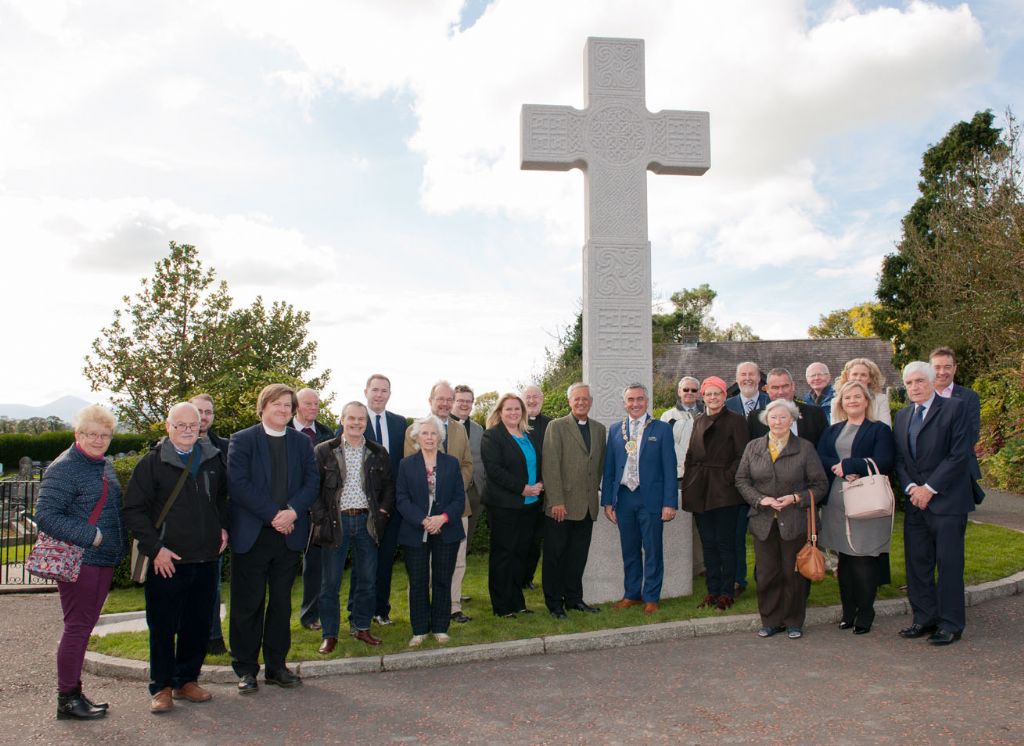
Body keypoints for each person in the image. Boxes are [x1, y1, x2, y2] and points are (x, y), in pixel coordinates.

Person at [123, 402, 228, 713]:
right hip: (166, 561)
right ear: (167, 427)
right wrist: (155, 549)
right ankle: (162, 687)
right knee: (163, 627)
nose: (187, 430)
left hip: (206, 559)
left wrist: (223, 527)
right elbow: (134, 510)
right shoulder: (152, 463)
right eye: (180, 425)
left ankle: (186, 681)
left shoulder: (212, 460)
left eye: (192, 425)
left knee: (197, 625)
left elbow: (223, 498)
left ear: (200, 427)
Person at [35, 404, 128, 720]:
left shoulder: (101, 464)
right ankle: (67, 699)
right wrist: (93, 536)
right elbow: (46, 516)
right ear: (78, 434)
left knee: (83, 626)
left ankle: (73, 692)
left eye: (105, 435)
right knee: (77, 627)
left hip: (100, 559)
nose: (99, 439)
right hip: (81, 558)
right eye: (92, 434)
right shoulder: (65, 467)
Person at [227, 384, 318, 694]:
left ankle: (277, 667)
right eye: (276, 404)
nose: (282, 409)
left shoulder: (301, 443)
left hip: (289, 536)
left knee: (281, 604)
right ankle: (246, 669)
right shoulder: (242, 440)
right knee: (248, 605)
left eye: (287, 405)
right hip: (253, 536)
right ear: (263, 406)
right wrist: (273, 515)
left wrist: (292, 512)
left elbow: (312, 481)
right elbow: (238, 484)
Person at [894, 361, 974, 646]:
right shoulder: (902, 416)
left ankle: (950, 624)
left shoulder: (955, 408)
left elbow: (959, 454)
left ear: (932, 381)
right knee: (918, 563)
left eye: (919, 381)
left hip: (948, 501)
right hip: (916, 502)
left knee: (949, 564)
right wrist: (912, 488)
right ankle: (924, 618)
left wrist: (929, 488)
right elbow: (901, 460)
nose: (914, 387)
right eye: (909, 383)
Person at [735, 399, 827, 639]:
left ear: (792, 420)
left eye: (783, 417)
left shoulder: (805, 448)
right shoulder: (753, 447)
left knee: (793, 574)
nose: (778, 422)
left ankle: (793, 621)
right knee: (767, 574)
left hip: (794, 520)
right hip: (763, 520)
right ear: (766, 420)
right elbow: (741, 480)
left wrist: (796, 498)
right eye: (773, 417)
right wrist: (759, 499)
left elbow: (820, 486)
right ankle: (770, 620)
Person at [311, 401, 394, 653]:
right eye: (352, 419)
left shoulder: (378, 452)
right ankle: (330, 634)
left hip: (367, 523)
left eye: (361, 420)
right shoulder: (324, 451)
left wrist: (382, 512)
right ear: (342, 419)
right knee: (330, 583)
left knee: (368, 580)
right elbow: (313, 488)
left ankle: (361, 627)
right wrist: (321, 517)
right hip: (336, 523)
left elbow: (389, 487)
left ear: (366, 423)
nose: (357, 423)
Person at [816, 381, 895, 634]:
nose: (852, 401)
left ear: (866, 401)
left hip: (866, 504)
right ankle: (848, 611)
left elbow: (885, 460)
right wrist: (837, 468)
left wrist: (852, 466)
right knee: (845, 561)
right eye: (847, 397)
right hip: (837, 504)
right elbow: (821, 456)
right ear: (841, 402)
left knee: (863, 559)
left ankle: (866, 612)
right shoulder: (832, 430)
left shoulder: (879, 430)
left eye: (857, 397)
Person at [600, 383, 677, 615]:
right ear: (624, 403)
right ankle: (632, 594)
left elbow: (669, 468)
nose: (635, 404)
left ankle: (651, 596)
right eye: (631, 399)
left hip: (650, 499)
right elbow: (610, 468)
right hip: (624, 498)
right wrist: (607, 501)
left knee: (652, 549)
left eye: (640, 399)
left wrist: (670, 503)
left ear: (647, 401)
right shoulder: (615, 430)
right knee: (630, 549)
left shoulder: (662, 429)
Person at [404, 381, 474, 620]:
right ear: (430, 400)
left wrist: (451, 489)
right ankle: (421, 612)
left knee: (456, 561)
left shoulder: (459, 430)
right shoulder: (415, 429)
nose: (445, 403)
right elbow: (409, 468)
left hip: (455, 509)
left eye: (449, 399)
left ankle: (453, 607)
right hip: (421, 512)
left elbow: (467, 464)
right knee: (421, 566)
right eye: (440, 399)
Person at [395, 416, 466, 646]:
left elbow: (458, 498)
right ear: (417, 437)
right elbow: (402, 499)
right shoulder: (406, 464)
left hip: (447, 529)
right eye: (424, 433)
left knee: (443, 580)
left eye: (433, 433)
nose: (429, 437)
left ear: (439, 437)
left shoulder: (452, 463)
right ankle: (419, 629)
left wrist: (442, 518)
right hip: (416, 531)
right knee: (417, 581)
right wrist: (423, 520)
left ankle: (440, 627)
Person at [681, 377, 749, 610]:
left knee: (725, 543)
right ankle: (712, 591)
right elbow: (691, 453)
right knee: (708, 543)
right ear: (703, 396)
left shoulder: (736, 421)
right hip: (701, 488)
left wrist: (727, 478)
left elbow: (743, 455)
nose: (713, 398)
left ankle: (727, 592)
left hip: (724, 492)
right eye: (708, 394)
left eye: (717, 393)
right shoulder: (699, 420)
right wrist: (690, 479)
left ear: (724, 395)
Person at [541, 383, 607, 618]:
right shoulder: (556, 427)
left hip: (587, 506)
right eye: (576, 399)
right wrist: (556, 500)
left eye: (585, 399)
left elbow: (598, 466)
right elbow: (550, 465)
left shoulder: (599, 429)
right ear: (569, 402)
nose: (581, 402)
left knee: (577, 557)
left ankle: (574, 599)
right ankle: (554, 603)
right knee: (555, 556)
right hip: (562, 506)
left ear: (590, 401)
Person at [480, 392, 543, 617]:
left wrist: (540, 482)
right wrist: (522, 488)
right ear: (500, 412)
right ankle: (501, 605)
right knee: (503, 554)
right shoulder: (492, 436)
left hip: (531, 505)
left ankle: (518, 602)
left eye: (517, 409)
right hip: (504, 506)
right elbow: (495, 471)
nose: (514, 413)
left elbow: (537, 463)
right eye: (508, 409)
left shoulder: (528, 435)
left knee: (520, 555)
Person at [361, 373, 408, 626]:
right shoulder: (355, 419)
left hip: (392, 506)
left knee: (385, 560)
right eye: (375, 390)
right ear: (366, 391)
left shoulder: (400, 423)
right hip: (362, 505)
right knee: (364, 562)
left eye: (384, 391)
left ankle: (381, 609)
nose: (379, 395)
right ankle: (360, 612)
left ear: (390, 394)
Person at [290, 388, 335, 633]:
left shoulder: (326, 433)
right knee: (284, 564)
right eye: (308, 404)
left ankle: (310, 615)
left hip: (319, 508)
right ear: (297, 405)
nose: (314, 408)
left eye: (317, 404)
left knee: (316, 565)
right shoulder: (284, 430)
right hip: (288, 507)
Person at [191, 393, 231, 657]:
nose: (204, 417)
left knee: (212, 586)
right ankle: (188, 641)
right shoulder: (169, 446)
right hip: (182, 531)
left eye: (208, 412)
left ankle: (214, 638)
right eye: (199, 411)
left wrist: (225, 526)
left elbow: (229, 492)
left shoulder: (225, 447)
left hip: (214, 530)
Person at [724, 361, 769, 596]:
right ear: (737, 378)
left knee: (766, 535)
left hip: (766, 483)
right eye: (743, 374)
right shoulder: (727, 405)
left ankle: (766, 578)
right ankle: (737, 579)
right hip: (736, 483)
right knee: (736, 535)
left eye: (752, 374)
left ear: (759, 378)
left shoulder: (770, 404)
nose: (748, 378)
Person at [660, 375, 705, 577]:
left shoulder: (707, 414)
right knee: (679, 523)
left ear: (699, 393)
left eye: (693, 390)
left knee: (701, 524)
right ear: (679, 392)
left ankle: (700, 567)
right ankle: (677, 569)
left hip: (703, 478)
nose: (689, 393)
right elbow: (666, 448)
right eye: (685, 390)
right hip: (679, 477)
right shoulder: (667, 417)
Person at [451, 383, 487, 623]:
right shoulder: (442, 426)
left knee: (466, 545)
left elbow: (481, 460)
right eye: (461, 400)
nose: (465, 405)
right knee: (451, 546)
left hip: (475, 493)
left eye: (468, 401)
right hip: (452, 496)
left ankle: (457, 592)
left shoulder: (477, 428)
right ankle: (446, 596)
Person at [930, 346, 985, 505]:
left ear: (955, 368)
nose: (942, 372)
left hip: (960, 468)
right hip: (927, 470)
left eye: (947, 367)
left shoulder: (969, 397)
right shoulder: (921, 396)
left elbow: (972, 433)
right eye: (937, 367)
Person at [748, 368, 828, 447]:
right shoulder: (755, 418)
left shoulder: (815, 414)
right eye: (775, 388)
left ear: (793, 386)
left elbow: (825, 449)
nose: (781, 392)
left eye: (785, 386)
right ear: (767, 389)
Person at [520, 384, 550, 590]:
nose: (531, 401)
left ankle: (527, 577)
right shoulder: (516, 422)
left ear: (542, 399)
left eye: (535, 397)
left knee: (535, 540)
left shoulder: (551, 424)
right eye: (527, 397)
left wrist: (544, 483)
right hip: (519, 492)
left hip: (543, 492)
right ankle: (515, 576)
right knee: (518, 539)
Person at [829, 358, 891, 426]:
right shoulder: (836, 402)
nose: (858, 378)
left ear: (870, 378)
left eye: (863, 375)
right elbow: (835, 430)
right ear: (848, 376)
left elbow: (886, 427)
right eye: (855, 374)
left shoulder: (881, 400)